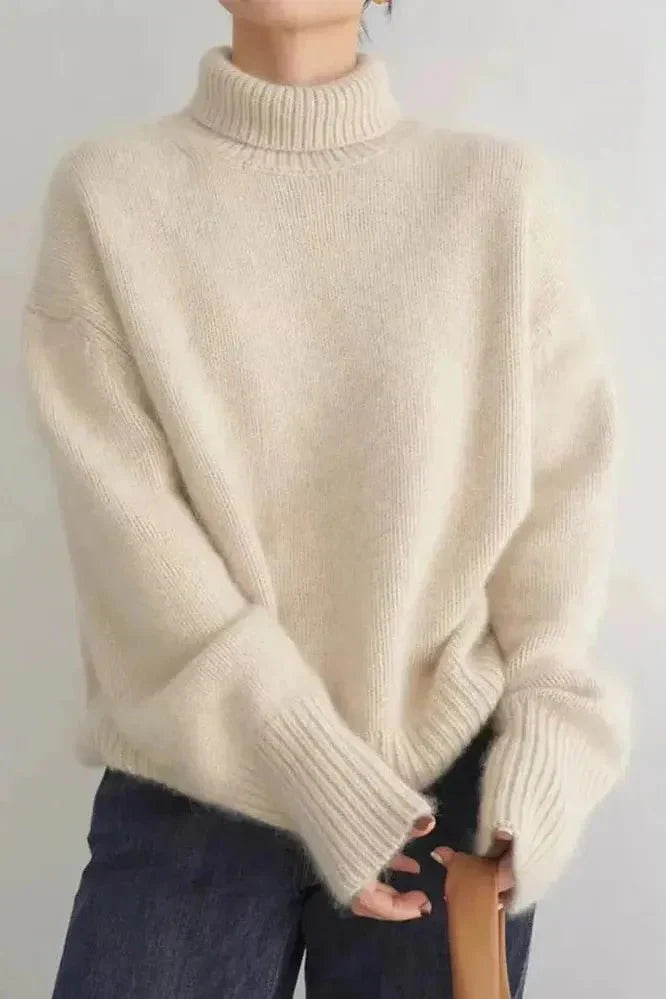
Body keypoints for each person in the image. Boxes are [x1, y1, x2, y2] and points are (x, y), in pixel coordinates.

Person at [22, 1, 629, 996]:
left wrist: (547, 749)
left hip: (448, 798)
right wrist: (306, 764)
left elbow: (560, 502)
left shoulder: (496, 198)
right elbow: (128, 532)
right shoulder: (110, 197)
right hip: (194, 780)